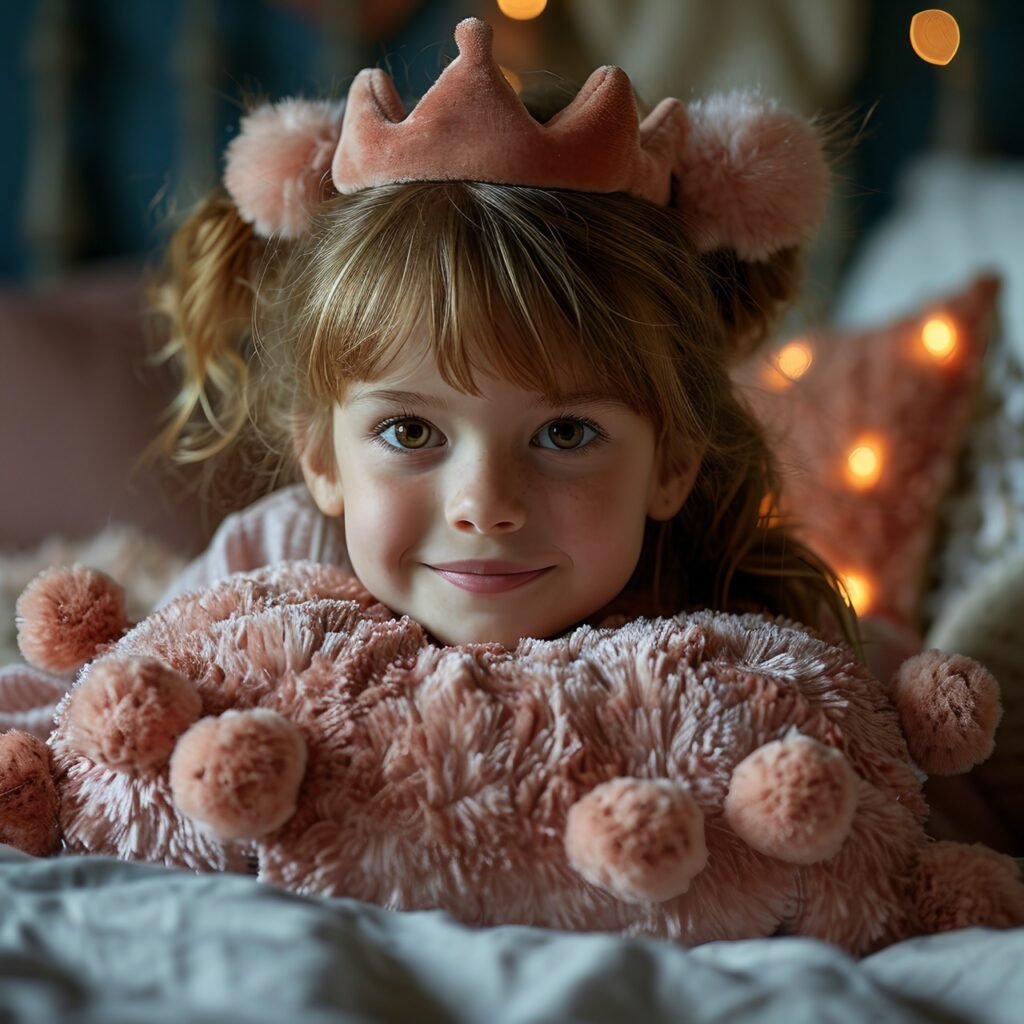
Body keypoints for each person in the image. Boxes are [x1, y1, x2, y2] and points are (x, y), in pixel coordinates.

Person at [150, 17, 857, 653]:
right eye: (410, 432)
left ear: (672, 459)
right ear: (320, 455)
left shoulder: (739, 641)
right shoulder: (267, 568)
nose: (484, 506)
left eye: (566, 434)